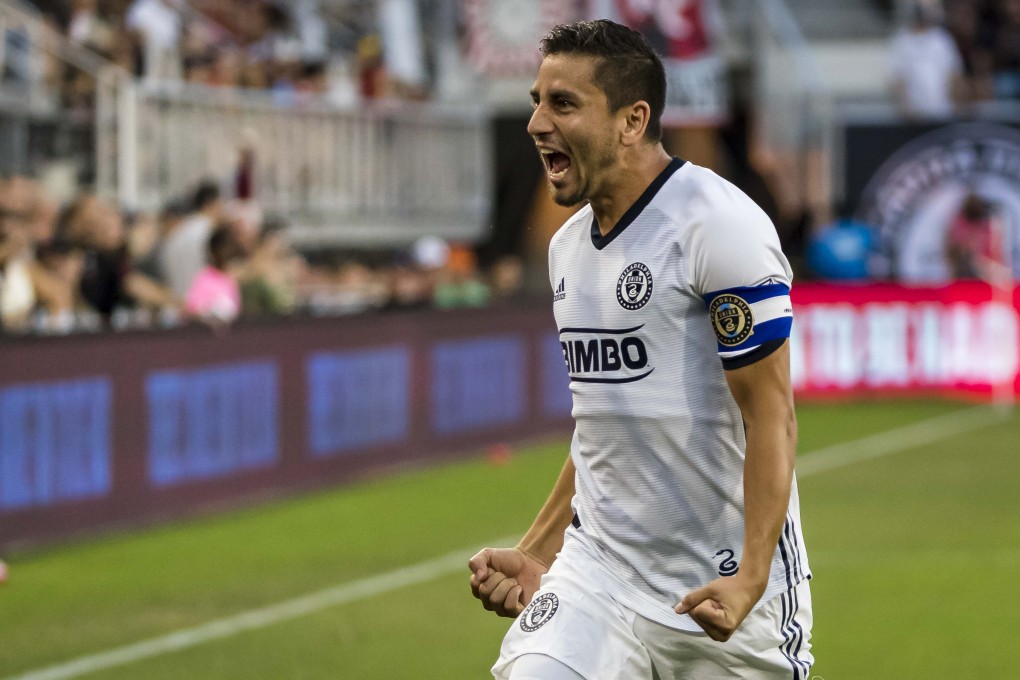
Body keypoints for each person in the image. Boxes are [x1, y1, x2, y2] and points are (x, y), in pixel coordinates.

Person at [468, 20, 811, 680]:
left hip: (721, 591)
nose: (537, 123)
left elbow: (771, 415)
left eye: (563, 104)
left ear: (633, 120)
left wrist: (751, 574)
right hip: (599, 576)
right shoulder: (567, 248)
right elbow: (602, 424)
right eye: (537, 101)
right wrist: (538, 549)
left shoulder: (717, 225)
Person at [889, 1, 966, 118]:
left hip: (943, 110)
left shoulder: (941, 39)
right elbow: (897, 78)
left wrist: (957, 105)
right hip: (915, 115)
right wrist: (905, 107)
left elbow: (954, 74)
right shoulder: (902, 41)